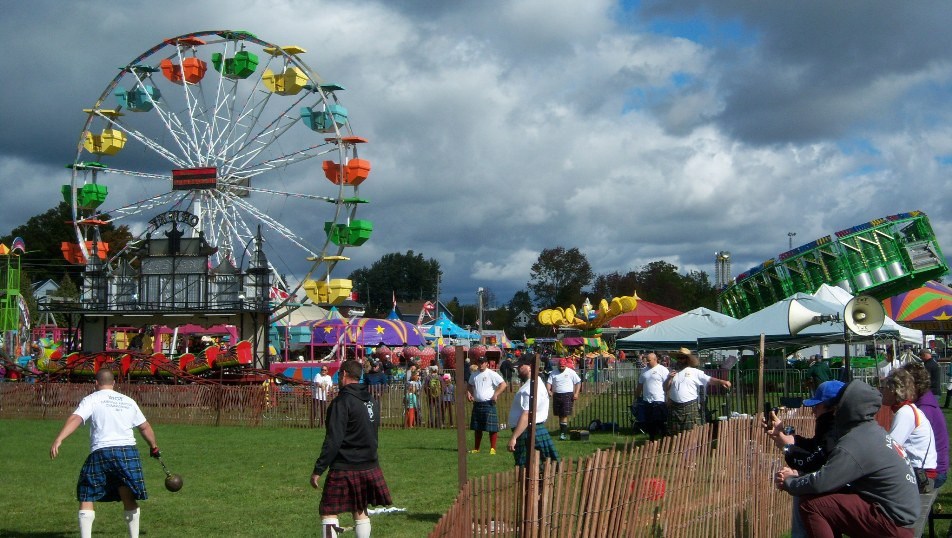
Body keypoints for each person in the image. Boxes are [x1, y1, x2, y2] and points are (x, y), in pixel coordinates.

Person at [775, 379, 920, 538]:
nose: (835, 411)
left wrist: (790, 482)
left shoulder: (856, 442)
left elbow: (822, 482)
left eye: (838, 406)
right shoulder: (871, 432)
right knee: (824, 501)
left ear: (849, 408)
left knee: (811, 505)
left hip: (892, 524)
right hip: (900, 519)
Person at [50, 369, 159, 538]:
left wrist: (59, 438)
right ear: (114, 383)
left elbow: (76, 418)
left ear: (96, 383)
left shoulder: (92, 399)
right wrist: (153, 446)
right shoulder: (128, 401)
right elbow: (144, 427)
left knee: (87, 491)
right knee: (127, 493)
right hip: (127, 450)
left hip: (102, 450)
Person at [311, 359, 392, 538]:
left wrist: (318, 469)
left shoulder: (342, 402)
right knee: (359, 507)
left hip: (345, 465)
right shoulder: (370, 400)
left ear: (345, 374)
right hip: (369, 463)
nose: (338, 378)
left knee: (329, 510)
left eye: (339, 374)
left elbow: (333, 439)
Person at [765, 380, 844, 538]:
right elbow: (814, 446)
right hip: (838, 487)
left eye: (818, 405)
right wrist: (783, 437)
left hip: (840, 489)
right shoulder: (832, 424)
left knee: (803, 488)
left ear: (833, 407)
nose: (813, 410)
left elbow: (814, 461)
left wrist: (787, 453)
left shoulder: (832, 428)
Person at [881, 368, 938, 538]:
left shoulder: (905, 413)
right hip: (922, 475)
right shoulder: (909, 410)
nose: (881, 391)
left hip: (921, 478)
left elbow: (888, 449)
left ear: (894, 390)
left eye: (884, 387)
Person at [663, 348, 731, 435]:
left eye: (682, 358)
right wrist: (669, 378)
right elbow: (665, 388)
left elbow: (709, 379)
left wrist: (721, 381)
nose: (679, 360)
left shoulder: (695, 372)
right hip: (674, 407)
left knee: (690, 432)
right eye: (678, 358)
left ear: (688, 360)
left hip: (689, 405)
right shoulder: (672, 373)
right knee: (674, 432)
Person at [903, 362, 949, 489]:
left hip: (932, 472)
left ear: (913, 385)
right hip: (931, 469)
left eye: (902, 383)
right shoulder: (925, 401)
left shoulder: (923, 409)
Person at [507, 361, 560, 467]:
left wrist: (514, 437)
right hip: (532, 429)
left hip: (528, 431)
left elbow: (527, 414)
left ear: (530, 367)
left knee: (527, 467)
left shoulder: (530, 388)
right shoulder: (535, 383)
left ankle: (534, 484)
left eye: (521, 366)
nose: (518, 369)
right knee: (538, 466)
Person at [467, 356, 507, 454]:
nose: (481, 364)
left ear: (487, 364)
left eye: (483, 362)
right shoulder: (474, 374)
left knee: (492, 428)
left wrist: (496, 394)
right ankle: (476, 448)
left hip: (488, 404)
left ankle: (493, 449)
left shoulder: (492, 374)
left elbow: (503, 384)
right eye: (479, 362)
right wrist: (469, 393)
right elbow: (469, 385)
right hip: (477, 404)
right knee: (477, 428)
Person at [546, 357, 582, 440]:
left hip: (567, 395)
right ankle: (562, 431)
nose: (561, 368)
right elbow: (549, 383)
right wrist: (549, 390)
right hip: (557, 395)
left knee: (564, 414)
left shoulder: (570, 372)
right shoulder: (553, 373)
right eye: (560, 366)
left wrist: (576, 393)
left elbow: (578, 382)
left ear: (565, 365)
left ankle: (563, 434)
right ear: (558, 365)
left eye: (563, 366)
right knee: (559, 414)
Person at [635, 352, 669, 441]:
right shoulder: (644, 371)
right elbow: (640, 385)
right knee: (649, 422)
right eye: (646, 361)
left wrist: (668, 398)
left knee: (659, 421)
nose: (647, 362)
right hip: (647, 400)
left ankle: (664, 438)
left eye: (649, 361)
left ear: (655, 359)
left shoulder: (662, 370)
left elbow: (668, 384)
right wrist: (636, 397)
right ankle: (652, 439)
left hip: (659, 400)